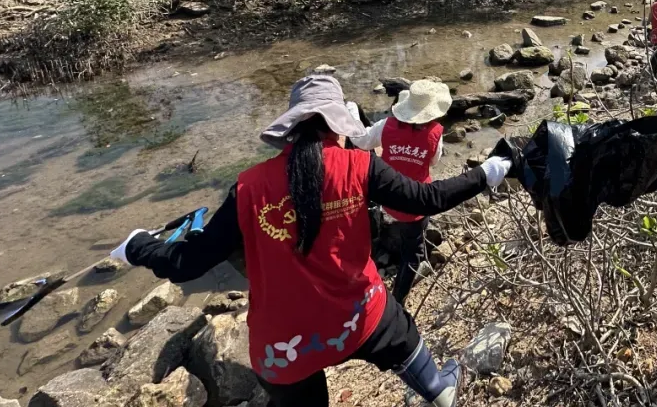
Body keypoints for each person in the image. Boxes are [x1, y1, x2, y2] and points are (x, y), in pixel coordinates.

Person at [109, 74, 511, 407]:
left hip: (284, 346)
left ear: (291, 129)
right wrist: (490, 170)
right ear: (337, 124)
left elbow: (186, 263)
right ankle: (439, 391)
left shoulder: (248, 188)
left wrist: (138, 246)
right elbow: (428, 198)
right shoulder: (360, 166)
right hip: (360, 317)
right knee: (400, 332)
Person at [352, 79, 448, 306]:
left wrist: (352, 114)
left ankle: (371, 264)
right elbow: (434, 161)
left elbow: (362, 141)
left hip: (388, 196)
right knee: (413, 254)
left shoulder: (386, 125)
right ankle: (398, 299)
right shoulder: (436, 133)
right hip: (416, 201)